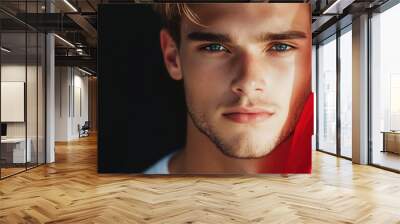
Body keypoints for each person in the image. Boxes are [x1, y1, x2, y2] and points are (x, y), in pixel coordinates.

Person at [144, 3, 312, 174]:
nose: (248, 83)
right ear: (173, 57)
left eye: (281, 47)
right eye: (214, 47)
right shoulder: (125, 199)